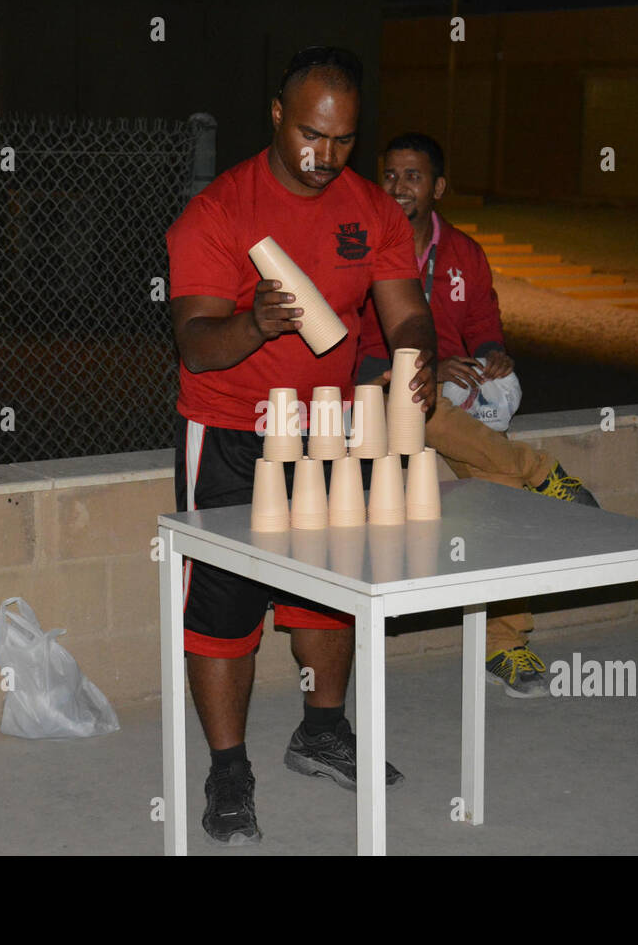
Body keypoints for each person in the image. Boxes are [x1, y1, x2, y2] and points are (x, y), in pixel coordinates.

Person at [166, 46, 438, 845]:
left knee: (327, 588)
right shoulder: (217, 213)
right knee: (224, 606)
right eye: (313, 134)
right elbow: (195, 345)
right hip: (227, 429)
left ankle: (321, 732)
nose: (327, 155)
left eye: (346, 139)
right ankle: (228, 771)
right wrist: (256, 322)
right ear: (278, 117)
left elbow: (405, 309)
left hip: (327, 424)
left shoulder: (373, 210)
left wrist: (412, 360)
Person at [357, 132, 599, 700]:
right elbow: (344, 345)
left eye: (413, 176)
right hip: (378, 390)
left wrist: (492, 352)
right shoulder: (360, 248)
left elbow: (483, 317)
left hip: (451, 398)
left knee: (501, 501)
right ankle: (539, 468)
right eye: (390, 175)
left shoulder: (463, 251)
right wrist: (428, 370)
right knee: (418, 395)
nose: (399, 187)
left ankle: (506, 643)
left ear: (437, 187)